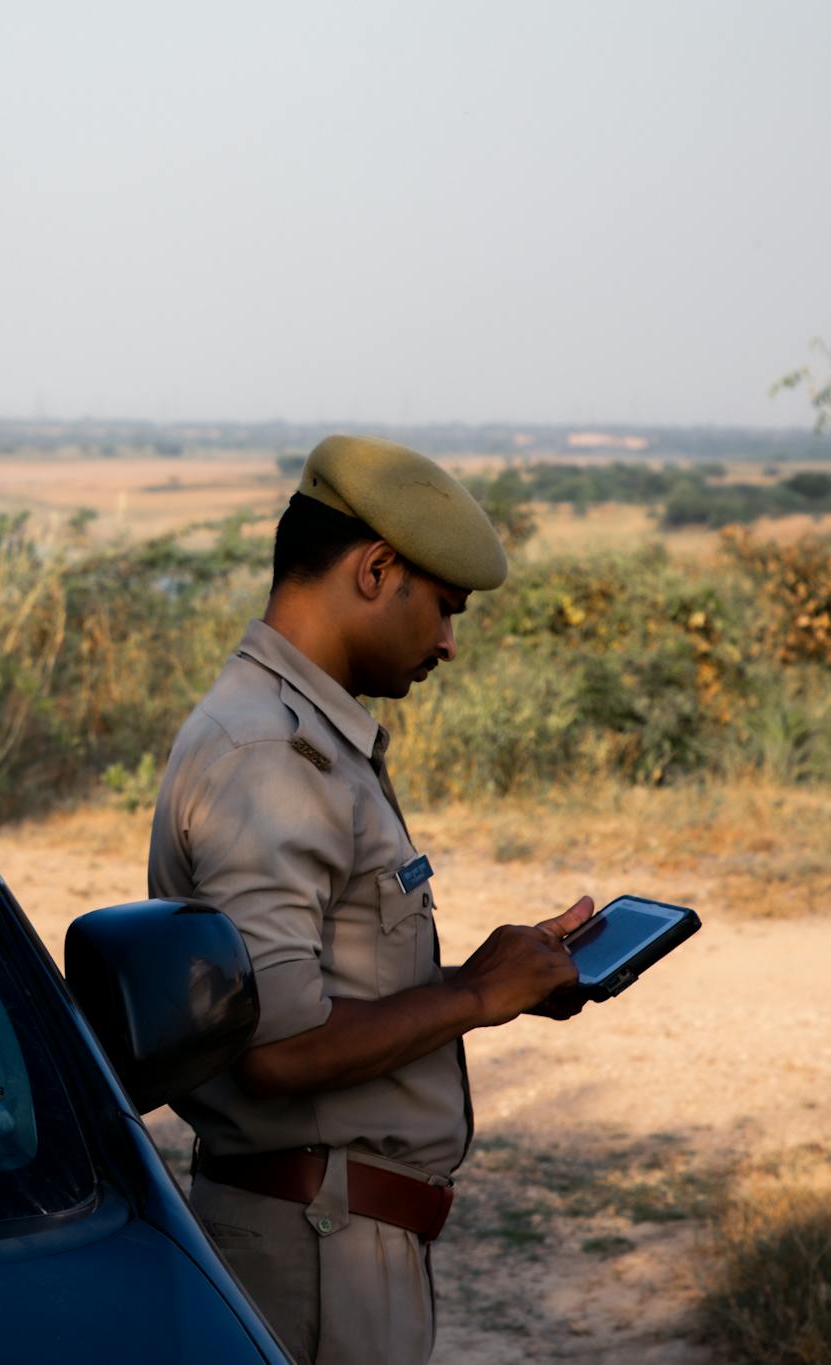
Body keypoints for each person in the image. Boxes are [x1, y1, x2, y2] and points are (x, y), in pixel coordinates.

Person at [147, 434, 594, 1365]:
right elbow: (276, 1047)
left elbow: (327, 983)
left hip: (329, 1235)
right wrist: (472, 998)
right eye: (441, 608)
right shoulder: (272, 755)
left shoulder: (297, 731)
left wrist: (493, 978)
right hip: (316, 1253)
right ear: (376, 567)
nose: (447, 643)